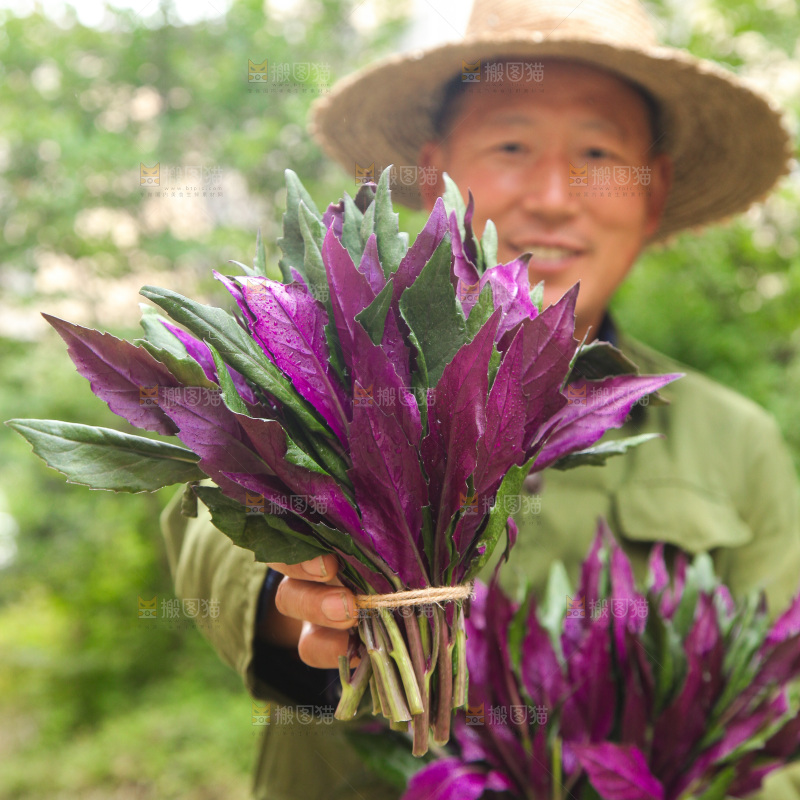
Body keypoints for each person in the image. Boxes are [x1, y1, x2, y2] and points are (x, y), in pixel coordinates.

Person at [161, 0, 800, 798]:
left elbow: (767, 724)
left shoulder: (734, 440)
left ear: (652, 187)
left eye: (598, 151)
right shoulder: (340, 365)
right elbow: (212, 517)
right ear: (436, 170)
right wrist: (297, 597)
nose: (555, 196)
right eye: (512, 144)